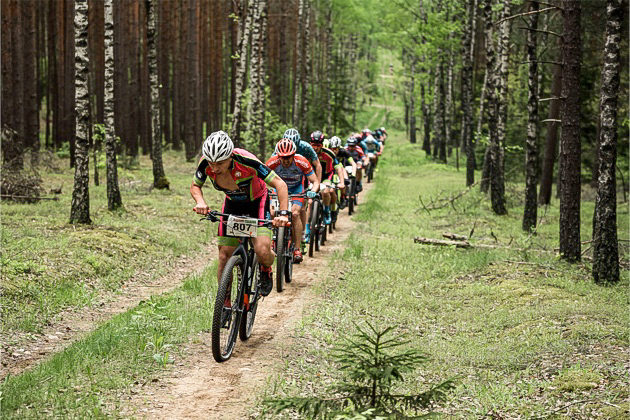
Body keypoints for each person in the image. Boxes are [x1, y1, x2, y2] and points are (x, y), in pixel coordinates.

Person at [191, 131, 289, 297]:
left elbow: (280, 184)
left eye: (220, 163)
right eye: (211, 162)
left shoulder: (247, 160)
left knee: (262, 251)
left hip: (257, 202)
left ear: (230, 156)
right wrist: (200, 202)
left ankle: (266, 268)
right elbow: (195, 186)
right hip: (232, 204)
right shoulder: (205, 164)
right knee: (224, 256)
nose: (214, 168)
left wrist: (284, 214)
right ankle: (224, 302)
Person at [266, 138, 320, 263]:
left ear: (294, 155)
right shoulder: (272, 162)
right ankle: (271, 241)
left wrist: (313, 191)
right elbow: (259, 178)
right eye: (283, 157)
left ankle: (296, 248)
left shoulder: (302, 161)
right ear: (278, 155)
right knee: (272, 213)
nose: (286, 160)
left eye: (289, 157)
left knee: (295, 213)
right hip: (278, 189)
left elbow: (315, 181)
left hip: (296, 189)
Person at [280, 128, 322, 246]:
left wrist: (316, 185)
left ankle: (303, 232)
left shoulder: (306, 147)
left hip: (302, 176)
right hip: (284, 177)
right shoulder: (281, 147)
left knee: (301, 207)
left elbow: (317, 165)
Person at [309, 130, 344, 225]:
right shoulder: (306, 153)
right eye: (313, 145)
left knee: (326, 191)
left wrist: (342, 182)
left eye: (318, 145)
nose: (315, 148)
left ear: (322, 145)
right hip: (311, 177)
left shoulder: (329, 154)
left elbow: (338, 168)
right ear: (310, 144)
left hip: (326, 176)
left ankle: (327, 211)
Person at [329, 136, 356, 210]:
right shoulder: (327, 151)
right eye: (332, 149)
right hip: (330, 169)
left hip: (341, 168)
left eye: (335, 149)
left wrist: (353, 174)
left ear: (339, 148)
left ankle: (343, 197)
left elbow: (353, 163)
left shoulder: (343, 151)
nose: (333, 151)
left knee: (343, 181)